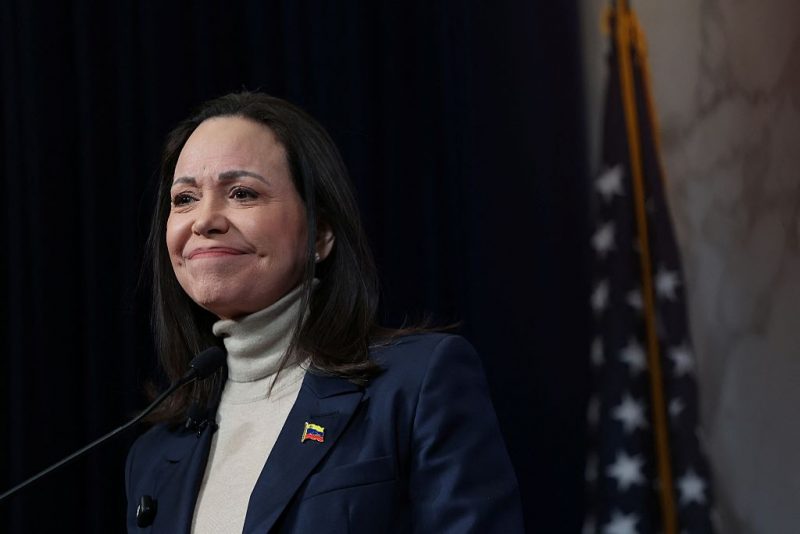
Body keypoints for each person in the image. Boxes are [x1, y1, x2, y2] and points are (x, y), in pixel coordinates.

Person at [125, 92, 524, 533]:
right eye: (184, 199)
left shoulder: (418, 384)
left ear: (321, 234)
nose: (204, 220)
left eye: (241, 192)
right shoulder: (155, 456)